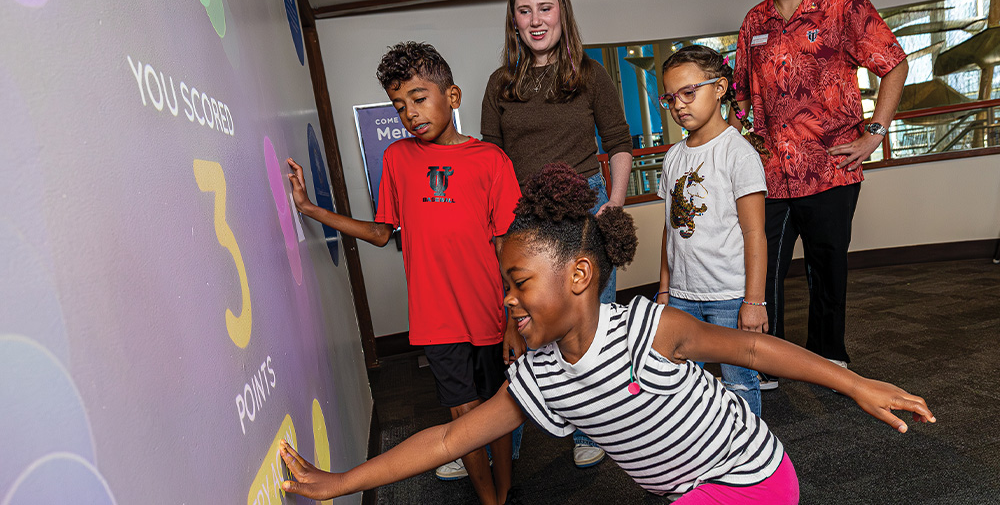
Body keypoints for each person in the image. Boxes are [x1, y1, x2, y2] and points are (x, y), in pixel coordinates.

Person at [276, 162, 935, 504]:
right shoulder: (536, 377)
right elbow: (449, 436)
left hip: (749, 477)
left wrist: (852, 383)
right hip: (685, 487)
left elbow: (755, 348)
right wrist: (341, 482)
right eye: (505, 285)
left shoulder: (649, 330)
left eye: (520, 282)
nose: (507, 300)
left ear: (582, 275)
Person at [287, 41, 520, 505]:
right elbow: (380, 232)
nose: (410, 113)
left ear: (451, 96)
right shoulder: (396, 158)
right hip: (435, 317)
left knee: (498, 409)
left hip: (492, 311)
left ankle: (507, 490)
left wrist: (515, 319)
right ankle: (488, 499)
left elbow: (508, 248)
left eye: (418, 98)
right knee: (462, 415)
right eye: (399, 105)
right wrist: (311, 209)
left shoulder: (491, 160)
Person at [732, 0, 909, 389]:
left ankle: (830, 357)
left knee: (826, 269)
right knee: (762, 268)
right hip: (769, 174)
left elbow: (894, 63)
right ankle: (769, 360)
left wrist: (876, 131)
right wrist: (739, 142)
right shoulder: (755, 21)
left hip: (830, 170)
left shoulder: (842, 2)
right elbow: (740, 99)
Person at [481, 0, 633, 468]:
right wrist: (499, 228)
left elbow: (617, 144)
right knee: (525, 322)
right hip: (524, 212)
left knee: (592, 324)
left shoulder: (589, 74)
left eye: (545, 8)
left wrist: (614, 202)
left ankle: (597, 429)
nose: (536, 19)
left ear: (562, 13)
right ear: (514, 22)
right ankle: (506, 439)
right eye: (525, 11)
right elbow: (491, 161)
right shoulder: (500, 84)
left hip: (585, 202)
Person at [656, 45, 767, 416]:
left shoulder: (738, 153)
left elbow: (755, 234)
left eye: (689, 93)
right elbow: (670, 232)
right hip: (683, 297)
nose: (679, 105)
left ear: (719, 88)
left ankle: (748, 459)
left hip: (730, 297)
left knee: (738, 383)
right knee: (684, 389)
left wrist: (754, 302)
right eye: (671, 98)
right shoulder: (673, 157)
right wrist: (664, 290)